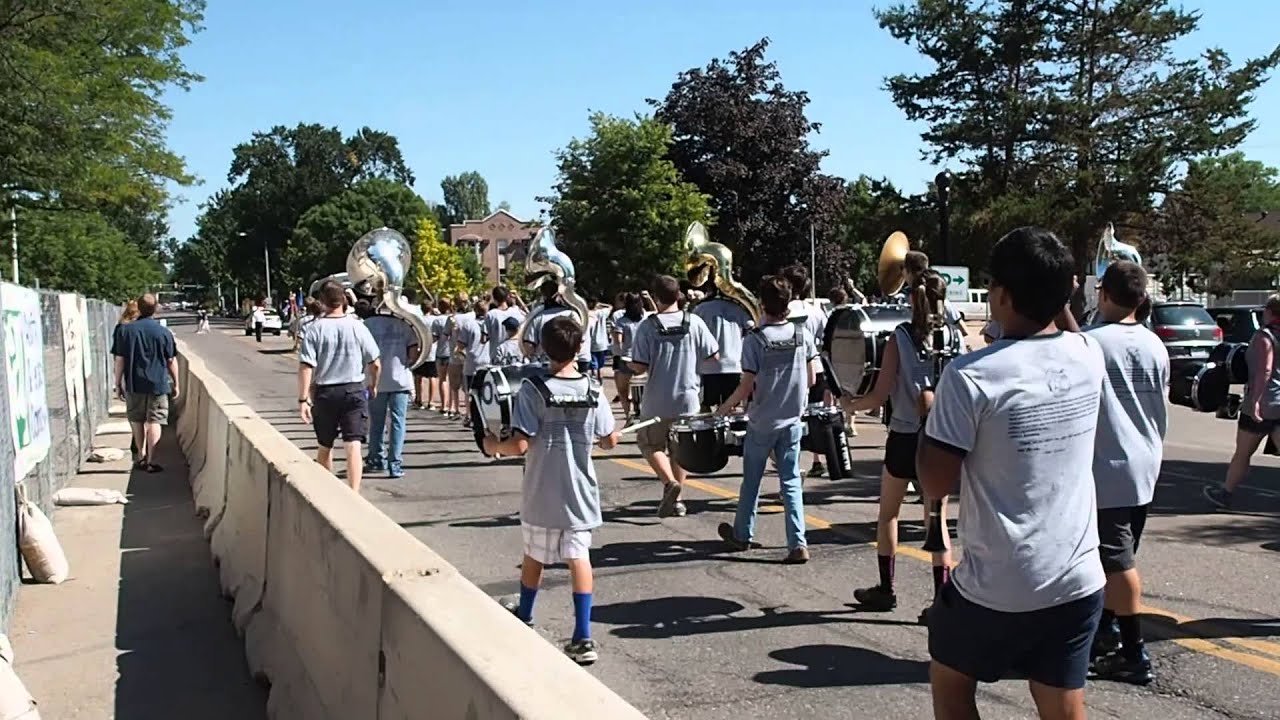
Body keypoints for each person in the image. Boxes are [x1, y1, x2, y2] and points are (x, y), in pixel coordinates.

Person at [918, 227, 1106, 720]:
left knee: (951, 681)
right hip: (1077, 577)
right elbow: (1067, 326)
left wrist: (929, 417)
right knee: (1062, 705)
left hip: (998, 583)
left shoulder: (972, 375)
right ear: (1066, 290)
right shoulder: (1088, 355)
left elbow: (935, 482)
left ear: (999, 295)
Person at [484, 317, 620, 665]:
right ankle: (583, 636)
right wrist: (606, 437)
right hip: (580, 490)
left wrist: (491, 446)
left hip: (542, 487)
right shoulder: (592, 389)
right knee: (579, 557)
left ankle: (526, 613)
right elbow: (609, 440)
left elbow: (521, 444)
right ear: (579, 348)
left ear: (544, 348)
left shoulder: (533, 388)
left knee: (534, 553)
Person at [847, 271, 955, 622]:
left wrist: (850, 405)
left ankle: (886, 589)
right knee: (935, 520)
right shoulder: (954, 335)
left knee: (888, 514)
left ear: (911, 299)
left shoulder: (901, 337)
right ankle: (943, 600)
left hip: (905, 434)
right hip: (941, 436)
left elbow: (879, 394)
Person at [1082, 261, 1168, 685]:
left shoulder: (1090, 343)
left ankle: (1134, 653)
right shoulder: (1154, 344)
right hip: (1144, 464)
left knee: (1117, 563)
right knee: (1112, 558)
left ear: (1104, 294)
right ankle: (1104, 632)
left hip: (1107, 466)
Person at [713, 276, 817, 563]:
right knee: (791, 482)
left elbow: (746, 385)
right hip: (792, 419)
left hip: (762, 421)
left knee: (752, 480)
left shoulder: (755, 340)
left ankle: (743, 534)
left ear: (762, 304)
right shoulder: (802, 335)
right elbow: (811, 378)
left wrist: (724, 408)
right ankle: (798, 543)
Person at [629, 275, 719, 517]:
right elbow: (713, 355)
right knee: (680, 449)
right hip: (688, 396)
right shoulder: (695, 322)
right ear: (678, 295)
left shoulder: (648, 326)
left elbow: (639, 366)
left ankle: (669, 483)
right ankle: (678, 501)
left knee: (649, 443)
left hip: (657, 397)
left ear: (656, 298)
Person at [298, 281, 382, 493]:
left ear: (323, 301)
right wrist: (373, 385)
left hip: (325, 392)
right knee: (353, 443)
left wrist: (303, 399)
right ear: (343, 300)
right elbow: (376, 362)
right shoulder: (357, 326)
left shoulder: (315, 329)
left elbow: (307, 366)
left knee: (325, 444)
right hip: (353, 388)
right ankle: (353, 492)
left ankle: (327, 489)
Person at [1205, 293, 1280, 511]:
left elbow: (1263, 370)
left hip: (1262, 403)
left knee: (1243, 453)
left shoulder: (1264, 337)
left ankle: (1226, 493)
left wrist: (1255, 401)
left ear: (1269, 311)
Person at [112, 294, 178, 473]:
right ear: (155, 309)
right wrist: (176, 384)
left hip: (134, 383)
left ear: (138, 308)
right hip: (158, 384)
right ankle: (151, 460)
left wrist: (118, 383)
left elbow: (120, 359)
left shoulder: (125, 331)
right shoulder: (164, 333)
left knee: (137, 420)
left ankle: (140, 455)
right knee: (155, 421)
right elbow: (171, 360)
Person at [779, 264, 830, 477]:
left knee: (793, 418)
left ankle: (794, 462)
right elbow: (826, 338)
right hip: (815, 366)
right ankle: (818, 459)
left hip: (789, 370)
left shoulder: (783, 310)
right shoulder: (816, 311)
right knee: (815, 414)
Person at [363, 309, 421, 479]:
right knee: (398, 422)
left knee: (376, 422)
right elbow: (413, 354)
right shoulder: (404, 324)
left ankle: (375, 459)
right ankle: (394, 464)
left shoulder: (367, 324)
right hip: (400, 379)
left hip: (376, 380)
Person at [691, 280, 754, 412]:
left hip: (707, 366)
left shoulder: (700, 308)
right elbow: (751, 327)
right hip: (733, 364)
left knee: (705, 406)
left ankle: (708, 433)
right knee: (733, 406)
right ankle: (734, 432)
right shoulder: (738, 307)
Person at [522, 279, 592, 372]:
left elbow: (529, 346)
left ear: (543, 295)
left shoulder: (538, 317)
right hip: (572, 364)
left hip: (545, 365)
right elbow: (580, 338)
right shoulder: (572, 314)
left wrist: (533, 358)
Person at [455, 298, 491, 428]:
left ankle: (470, 416)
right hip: (488, 361)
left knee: (470, 392)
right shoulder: (491, 323)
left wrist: (461, 353)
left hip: (472, 362)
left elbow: (460, 345)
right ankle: (485, 417)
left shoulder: (468, 325)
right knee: (486, 391)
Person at [612, 293, 647, 420]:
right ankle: (642, 412)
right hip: (643, 358)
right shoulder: (645, 320)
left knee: (622, 390)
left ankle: (628, 415)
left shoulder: (621, 321)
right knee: (643, 389)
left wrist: (619, 353)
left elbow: (618, 341)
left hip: (626, 358)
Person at [485, 286, 526, 361]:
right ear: (507, 297)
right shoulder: (516, 311)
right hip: (516, 352)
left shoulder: (491, 315)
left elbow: (484, 338)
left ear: (494, 299)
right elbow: (528, 315)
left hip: (497, 354)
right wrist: (518, 298)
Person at [412, 300, 438, 409]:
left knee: (418, 376)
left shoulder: (419, 320)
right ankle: (431, 401)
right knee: (432, 376)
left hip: (421, 350)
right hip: (433, 350)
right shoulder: (435, 320)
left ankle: (419, 399)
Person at [432, 297, 453, 413]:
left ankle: (444, 405)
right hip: (452, 352)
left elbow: (434, 338)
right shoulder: (453, 319)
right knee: (452, 381)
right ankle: (451, 406)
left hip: (441, 352)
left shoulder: (437, 321)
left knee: (443, 379)